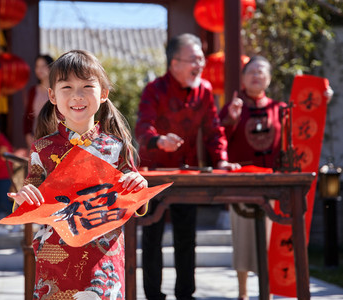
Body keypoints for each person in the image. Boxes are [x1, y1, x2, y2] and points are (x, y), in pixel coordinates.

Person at [8, 50, 148, 299]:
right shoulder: (42, 149)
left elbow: (136, 201)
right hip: (55, 258)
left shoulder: (117, 148)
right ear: (51, 95)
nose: (77, 95)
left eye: (87, 86)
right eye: (67, 87)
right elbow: (30, 196)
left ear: (103, 93)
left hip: (104, 260)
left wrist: (139, 186)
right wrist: (22, 198)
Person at [135, 33, 240, 300]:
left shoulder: (204, 90)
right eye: (195, 59)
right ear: (174, 63)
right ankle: (152, 295)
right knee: (152, 235)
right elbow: (142, 130)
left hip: (187, 174)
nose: (201, 64)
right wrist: (159, 141)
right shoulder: (154, 90)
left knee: (186, 234)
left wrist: (222, 159)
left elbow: (214, 130)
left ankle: (185, 293)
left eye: (202, 59)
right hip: (154, 174)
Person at [219, 56, 333, 300]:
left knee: (271, 239)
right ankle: (242, 293)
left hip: (273, 185)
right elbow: (217, 140)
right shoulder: (232, 108)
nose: (256, 76)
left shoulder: (280, 109)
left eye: (261, 72)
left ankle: (267, 293)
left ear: (269, 79)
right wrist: (229, 119)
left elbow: (302, 129)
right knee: (243, 236)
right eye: (251, 72)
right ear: (243, 78)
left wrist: (323, 100)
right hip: (241, 183)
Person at [23, 54, 54, 149]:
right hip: (36, 137)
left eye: (43, 66)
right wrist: (28, 136)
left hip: (56, 137)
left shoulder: (59, 90)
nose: (39, 69)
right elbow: (28, 115)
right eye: (37, 66)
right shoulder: (33, 91)